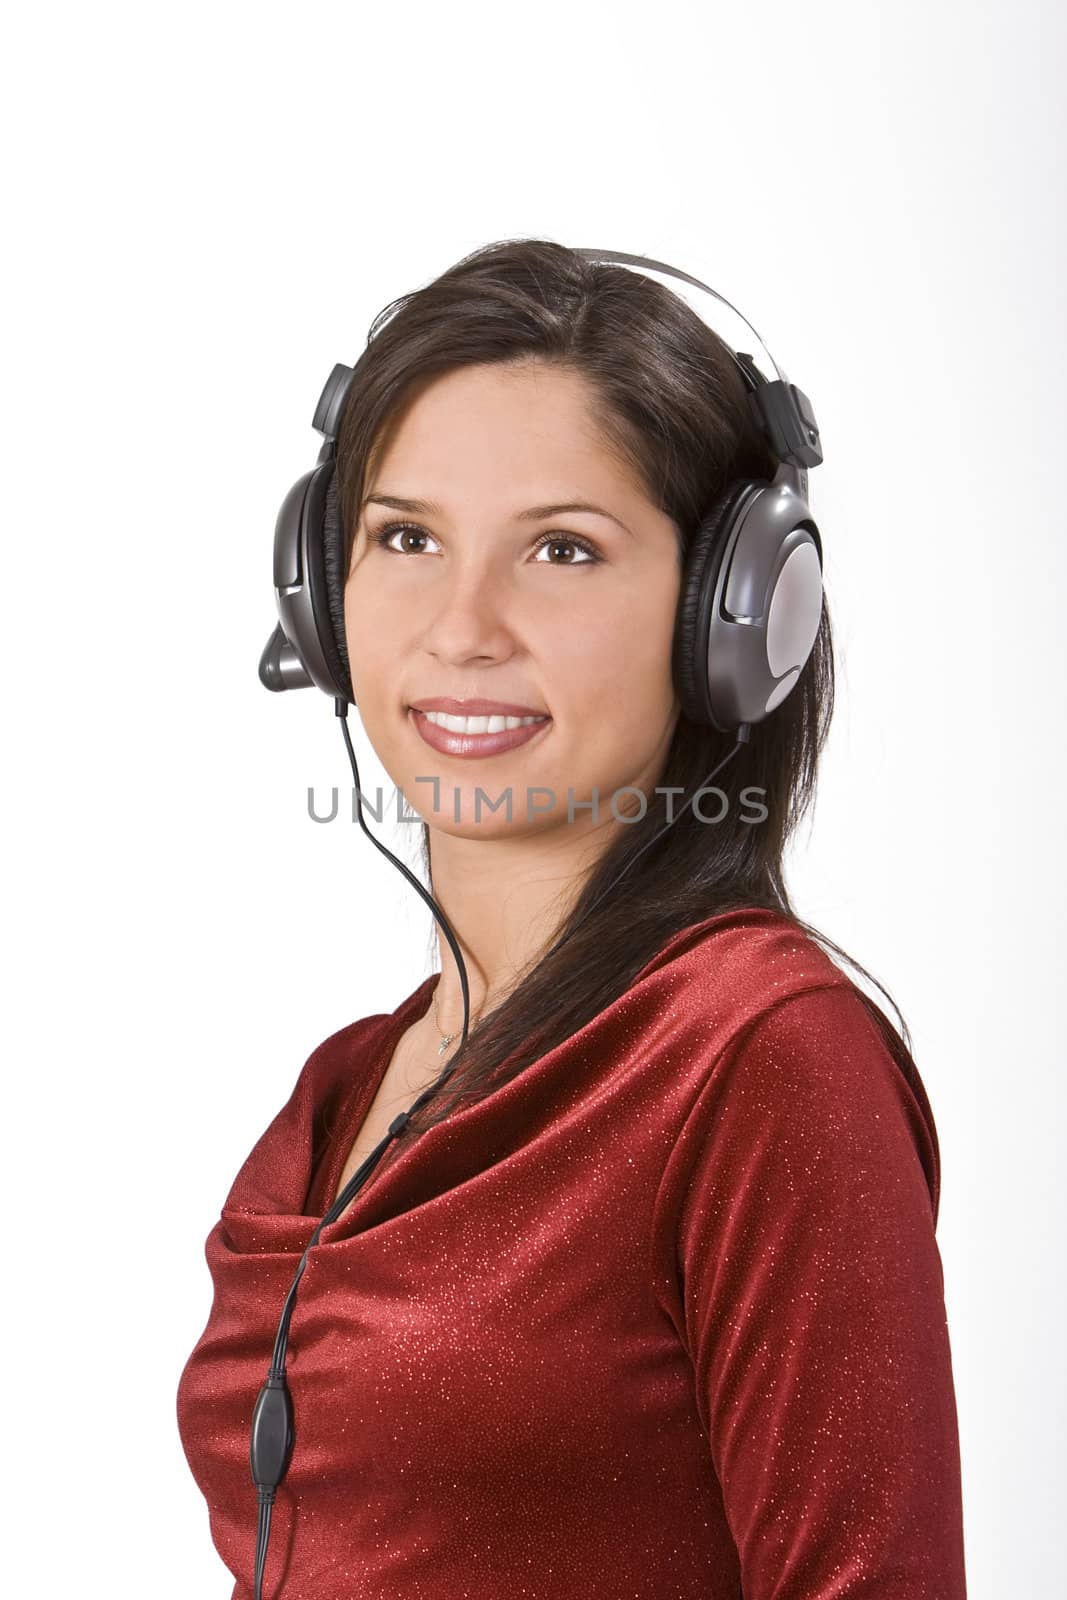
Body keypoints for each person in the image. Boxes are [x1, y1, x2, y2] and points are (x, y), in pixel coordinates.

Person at [176, 239, 967, 1598]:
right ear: (320, 586)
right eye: (406, 538)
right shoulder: (350, 1089)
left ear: (731, 614)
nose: (463, 626)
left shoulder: (756, 1059)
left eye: (562, 548)